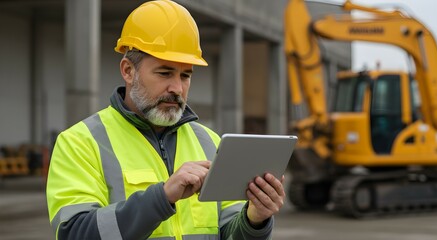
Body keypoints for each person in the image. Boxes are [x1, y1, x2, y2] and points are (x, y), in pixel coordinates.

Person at [46, 0, 285, 239]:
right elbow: (74, 233)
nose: (177, 88)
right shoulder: (79, 143)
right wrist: (161, 198)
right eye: (165, 73)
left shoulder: (210, 143)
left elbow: (228, 234)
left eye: (185, 75)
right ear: (128, 70)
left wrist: (254, 220)